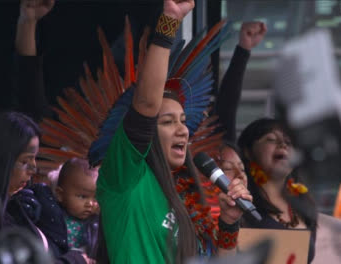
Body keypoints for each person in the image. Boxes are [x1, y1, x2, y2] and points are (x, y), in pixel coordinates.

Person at [93, 1, 251, 263]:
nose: (183, 130)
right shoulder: (124, 178)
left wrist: (229, 224)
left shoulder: (178, 199)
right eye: (167, 121)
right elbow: (145, 106)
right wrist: (169, 22)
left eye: (183, 121)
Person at [0, 112, 90, 263]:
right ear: (2, 161)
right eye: (25, 161)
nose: (33, 169)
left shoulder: (27, 204)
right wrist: (75, 260)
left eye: (35, 158)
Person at [237, 117, 317, 264]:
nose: (283, 145)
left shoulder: (303, 204)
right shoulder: (239, 199)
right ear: (248, 152)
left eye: (289, 142)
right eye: (271, 139)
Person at [11, 158, 99, 259]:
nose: (91, 204)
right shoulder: (48, 213)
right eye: (82, 196)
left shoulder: (96, 223)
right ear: (60, 194)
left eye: (96, 198)